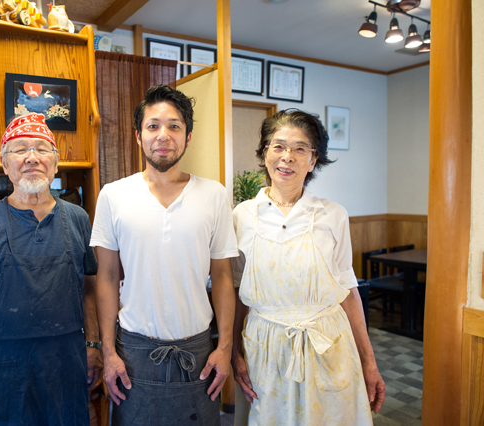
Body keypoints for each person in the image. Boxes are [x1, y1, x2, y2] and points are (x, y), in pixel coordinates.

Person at [91, 85, 239, 426]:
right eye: (153, 125)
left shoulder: (213, 195)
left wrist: (225, 347)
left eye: (174, 126)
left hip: (199, 351)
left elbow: (223, 277)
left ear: (188, 137)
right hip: (134, 354)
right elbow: (107, 277)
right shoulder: (114, 195)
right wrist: (109, 352)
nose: (163, 135)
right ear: (138, 136)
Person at [231, 109, 386, 425]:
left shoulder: (333, 215)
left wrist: (369, 362)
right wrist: (234, 351)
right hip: (266, 348)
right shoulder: (242, 216)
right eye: (278, 146)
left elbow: (347, 290)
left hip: (328, 345)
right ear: (265, 153)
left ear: (314, 160)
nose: (287, 157)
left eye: (300, 148)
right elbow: (236, 292)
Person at [0, 113, 102, 425]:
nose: (31, 157)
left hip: (67, 362)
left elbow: (88, 290)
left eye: (42, 149)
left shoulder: (78, 219)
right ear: (5, 165)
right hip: (2, 369)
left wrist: (93, 345)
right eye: (19, 150)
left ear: (56, 163)